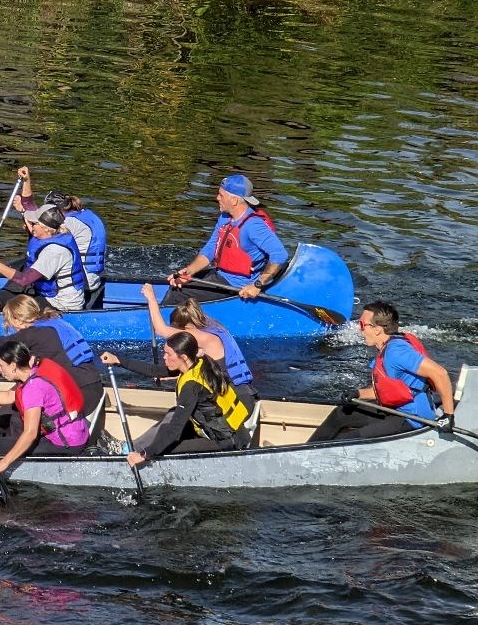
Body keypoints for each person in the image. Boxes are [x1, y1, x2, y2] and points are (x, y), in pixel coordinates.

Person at [308, 301, 455, 442]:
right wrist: (358, 393)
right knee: (341, 414)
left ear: (377, 329)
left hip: (411, 417)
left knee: (346, 440)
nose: (360, 329)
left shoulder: (397, 351)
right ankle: (306, 451)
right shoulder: (386, 348)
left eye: (362, 325)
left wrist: (448, 416)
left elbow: (440, 373)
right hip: (395, 409)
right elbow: (388, 390)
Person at [0, 293, 104, 423]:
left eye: (9, 322)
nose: (11, 327)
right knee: (21, 388)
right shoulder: (54, 320)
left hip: (80, 395)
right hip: (93, 385)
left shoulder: (31, 334)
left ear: (17, 320)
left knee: (20, 397)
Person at [100, 331, 256, 463]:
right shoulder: (198, 362)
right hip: (230, 431)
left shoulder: (191, 387)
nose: (164, 357)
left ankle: (139, 452)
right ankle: (130, 447)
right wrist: (119, 360)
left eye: (168, 354)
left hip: (225, 442)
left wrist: (145, 455)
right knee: (172, 414)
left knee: (167, 447)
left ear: (184, 356)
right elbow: (153, 370)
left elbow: (174, 430)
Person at [0, 340, 91, 475]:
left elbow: (30, 433)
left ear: (13, 366)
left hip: (67, 443)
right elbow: (8, 396)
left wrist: (3, 463)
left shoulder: (33, 388)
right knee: (13, 415)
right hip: (77, 430)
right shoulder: (34, 368)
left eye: (1, 365)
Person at [167, 174, 287, 302]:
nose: (217, 198)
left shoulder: (253, 225)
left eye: (221, 195)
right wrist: (190, 271)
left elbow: (280, 254)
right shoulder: (224, 218)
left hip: (235, 285)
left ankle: (159, 319)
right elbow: (211, 249)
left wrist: (258, 284)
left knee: (178, 293)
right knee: (176, 283)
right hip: (220, 275)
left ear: (234, 200)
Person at [138, 282, 256, 401]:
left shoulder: (203, 337)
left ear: (187, 328)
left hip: (237, 395)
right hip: (241, 390)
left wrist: (151, 298)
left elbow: (160, 330)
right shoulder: (214, 327)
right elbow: (206, 367)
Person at [14, 167, 108, 308]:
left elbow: (34, 221)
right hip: (93, 277)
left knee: (25, 274)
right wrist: (26, 181)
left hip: (83, 283)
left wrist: (22, 211)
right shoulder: (86, 215)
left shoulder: (68, 223)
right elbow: (33, 212)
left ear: (55, 211)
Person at [0, 204, 87, 312]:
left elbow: (24, 279)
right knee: (5, 294)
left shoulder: (54, 251)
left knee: (3, 299)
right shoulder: (55, 233)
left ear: (45, 228)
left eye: (34, 224)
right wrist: (22, 211)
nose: (30, 226)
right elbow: (34, 230)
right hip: (49, 296)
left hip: (60, 305)